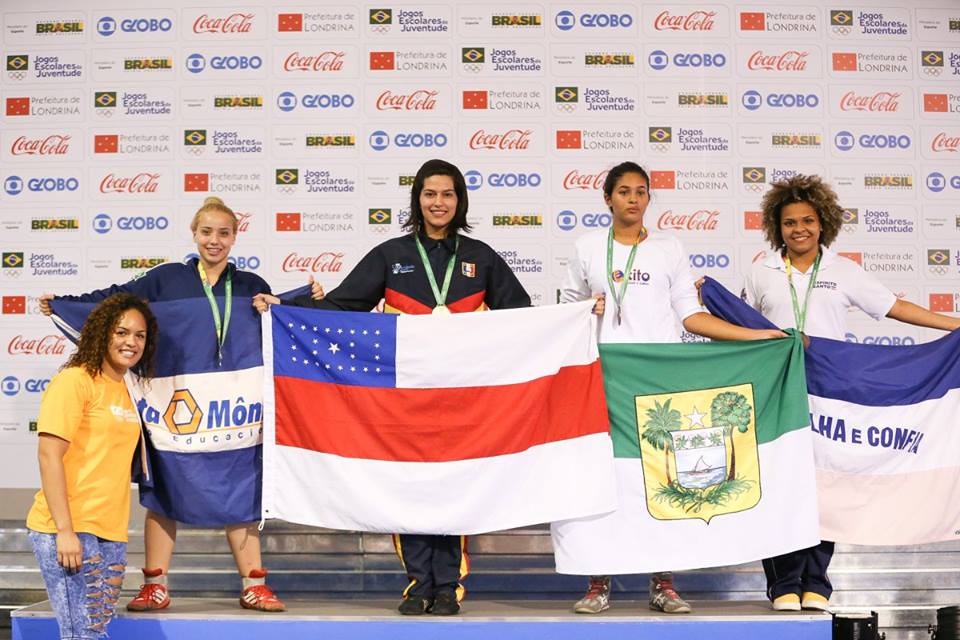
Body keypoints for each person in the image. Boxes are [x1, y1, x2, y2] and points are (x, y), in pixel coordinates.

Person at [254, 158, 531, 616]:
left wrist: (578, 316)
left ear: (459, 200)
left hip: (463, 398)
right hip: (405, 399)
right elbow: (345, 305)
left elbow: (521, 314)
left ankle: (449, 585)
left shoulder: (481, 257)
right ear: (416, 200)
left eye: (446, 194)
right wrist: (286, 305)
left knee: (454, 486)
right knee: (412, 486)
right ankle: (420, 583)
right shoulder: (392, 254)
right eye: (429, 194)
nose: (438, 203)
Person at [39, 197, 286, 612]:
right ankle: (155, 584)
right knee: (164, 490)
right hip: (172, 403)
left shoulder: (249, 284)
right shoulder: (166, 278)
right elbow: (116, 300)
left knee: (242, 489)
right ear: (194, 234)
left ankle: (253, 583)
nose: (215, 240)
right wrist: (67, 301)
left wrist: (292, 303)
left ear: (235, 237)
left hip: (235, 408)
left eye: (224, 233)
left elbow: (280, 325)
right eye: (207, 232)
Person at [559, 161, 784, 615]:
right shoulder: (586, 247)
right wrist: (586, 307)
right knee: (603, 479)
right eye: (623, 191)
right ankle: (597, 582)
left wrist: (758, 335)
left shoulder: (669, 247)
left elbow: (690, 315)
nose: (633, 199)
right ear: (607, 198)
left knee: (662, 478)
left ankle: (662, 583)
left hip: (659, 382)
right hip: (604, 379)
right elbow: (566, 315)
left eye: (641, 191)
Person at [742, 174, 960, 612]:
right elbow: (741, 327)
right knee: (782, 483)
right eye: (789, 222)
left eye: (807, 220)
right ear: (776, 226)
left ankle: (816, 583)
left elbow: (894, 307)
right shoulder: (760, 270)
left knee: (828, 486)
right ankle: (783, 582)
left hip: (831, 396)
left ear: (822, 223)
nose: (798, 229)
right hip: (777, 392)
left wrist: (954, 326)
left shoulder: (843, 271)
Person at [28, 293, 157, 639]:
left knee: (95, 632)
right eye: (121, 332)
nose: (131, 342)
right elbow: (48, 455)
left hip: (110, 532)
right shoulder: (75, 381)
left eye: (139, 335)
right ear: (102, 333)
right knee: (82, 634)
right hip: (69, 528)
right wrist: (65, 531)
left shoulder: (129, 388)